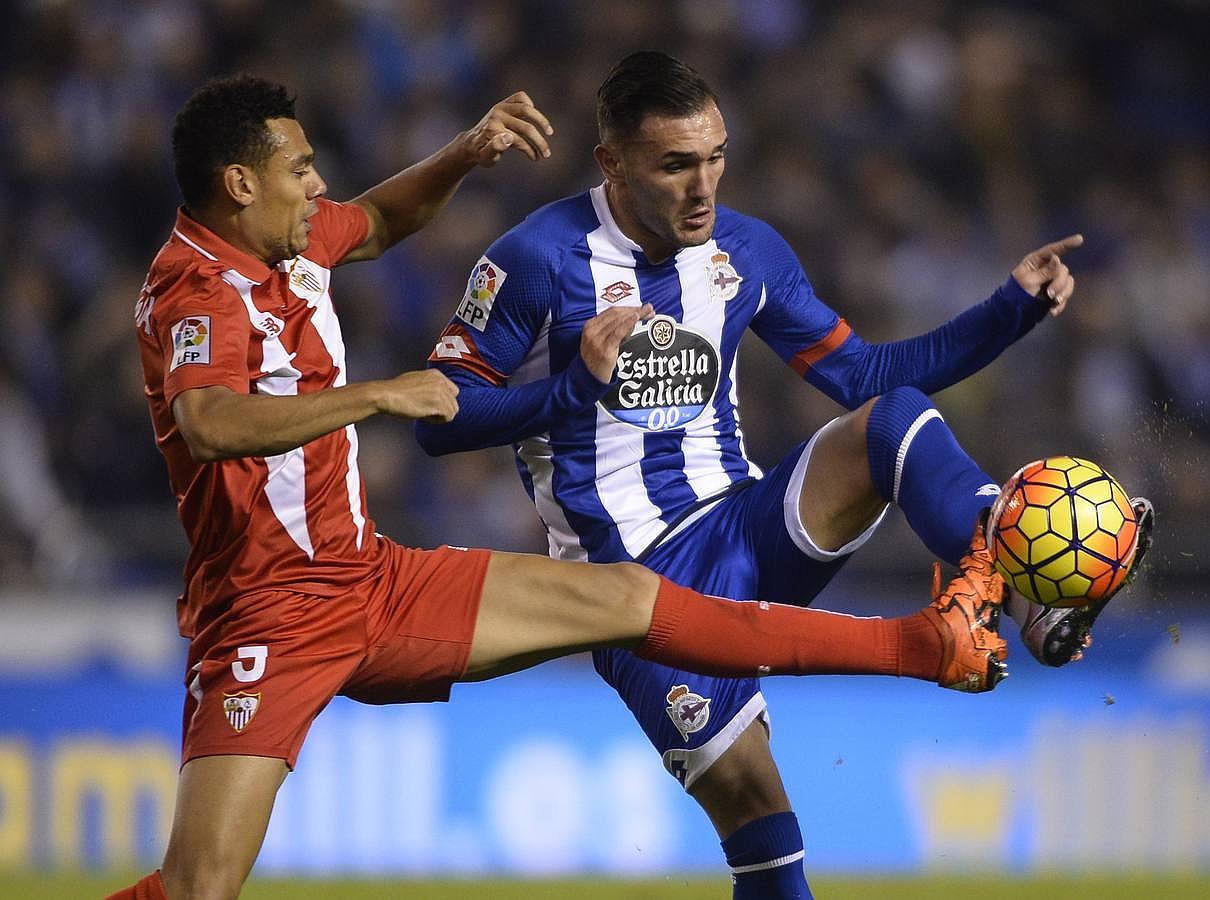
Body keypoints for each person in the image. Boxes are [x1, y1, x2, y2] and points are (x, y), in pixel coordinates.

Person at [109, 74, 1013, 900]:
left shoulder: (294, 247)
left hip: (374, 580)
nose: (319, 188)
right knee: (198, 890)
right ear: (238, 185)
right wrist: (378, 395)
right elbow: (210, 423)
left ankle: (929, 645)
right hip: (271, 613)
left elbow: (381, 220)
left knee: (629, 600)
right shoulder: (195, 292)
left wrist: (463, 154)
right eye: (301, 170)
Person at [416, 51, 1153, 900]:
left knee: (895, 418)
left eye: (717, 156)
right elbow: (441, 423)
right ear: (611, 163)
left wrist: (1010, 309)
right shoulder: (533, 260)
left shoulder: (746, 249)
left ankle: (1022, 585)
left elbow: (861, 376)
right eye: (676, 164)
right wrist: (575, 386)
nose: (705, 186)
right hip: (632, 594)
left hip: (744, 528)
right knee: (770, 845)